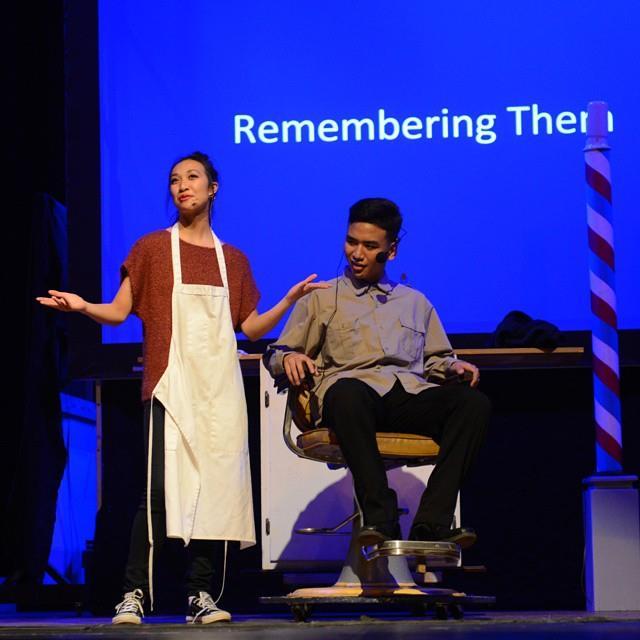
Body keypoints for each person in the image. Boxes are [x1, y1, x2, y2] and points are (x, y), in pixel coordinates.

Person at [37, 151, 327, 625]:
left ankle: (201, 596)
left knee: (217, 493)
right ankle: (134, 593)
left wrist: (290, 301)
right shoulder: (152, 249)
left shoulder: (231, 260)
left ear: (214, 188)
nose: (181, 185)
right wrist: (82, 306)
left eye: (192, 177)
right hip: (169, 387)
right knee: (156, 494)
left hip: (220, 394)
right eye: (174, 179)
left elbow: (251, 328)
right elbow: (119, 310)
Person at [264, 197, 490, 551]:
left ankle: (433, 523)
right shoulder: (322, 298)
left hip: (406, 397)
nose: (357, 253)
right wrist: (289, 356)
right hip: (352, 401)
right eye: (351, 242)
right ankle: (379, 517)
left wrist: (453, 366)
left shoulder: (415, 302)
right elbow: (275, 353)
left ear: (392, 251)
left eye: (370, 246)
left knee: (472, 404)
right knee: (347, 391)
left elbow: (436, 361)